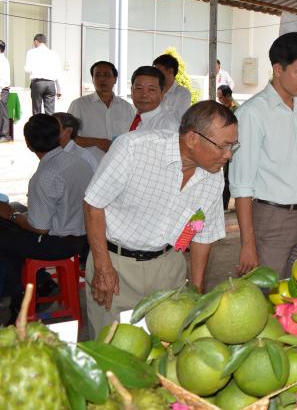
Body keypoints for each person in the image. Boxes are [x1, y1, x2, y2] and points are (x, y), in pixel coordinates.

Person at [83, 101, 234, 338]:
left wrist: (196, 291)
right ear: (192, 139)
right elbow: (93, 203)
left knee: (167, 348)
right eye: (224, 146)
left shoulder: (213, 176)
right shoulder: (134, 148)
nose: (228, 155)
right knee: (111, 349)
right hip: (116, 267)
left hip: (168, 265)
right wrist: (102, 267)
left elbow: (202, 235)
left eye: (233, 147)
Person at [229, 32, 297, 279]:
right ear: (278, 69)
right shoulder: (252, 114)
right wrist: (248, 244)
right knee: (265, 298)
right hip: (271, 220)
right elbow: (241, 185)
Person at [0, 114, 93, 324]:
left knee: (5, 234)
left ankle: (21, 295)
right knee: (13, 223)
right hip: (81, 235)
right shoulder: (79, 161)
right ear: (58, 136)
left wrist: (13, 216)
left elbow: (40, 228)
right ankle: (42, 283)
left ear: (29, 144)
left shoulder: (44, 177)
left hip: (58, 243)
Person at [68, 61, 135, 163]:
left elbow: (133, 136)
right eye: (97, 75)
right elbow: (68, 137)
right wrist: (96, 141)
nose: (102, 78)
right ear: (93, 79)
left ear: (115, 79)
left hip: (119, 164)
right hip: (90, 164)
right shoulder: (79, 104)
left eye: (107, 75)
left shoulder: (126, 107)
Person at [128, 66, 180, 132]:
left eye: (151, 90)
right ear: (131, 91)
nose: (144, 95)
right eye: (139, 88)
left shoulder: (168, 127)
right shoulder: (127, 119)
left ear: (162, 94)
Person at [25, 34, 62, 115]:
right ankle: (51, 127)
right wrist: (59, 89)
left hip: (38, 83)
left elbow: (27, 69)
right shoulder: (54, 54)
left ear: (36, 41)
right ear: (45, 43)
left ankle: (37, 126)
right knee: (50, 110)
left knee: (36, 109)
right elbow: (58, 73)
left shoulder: (31, 52)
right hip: (50, 84)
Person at [153, 54, 192, 123]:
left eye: (158, 70)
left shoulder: (183, 93)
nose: (155, 74)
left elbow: (178, 117)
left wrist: (153, 116)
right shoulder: (154, 92)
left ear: (170, 71)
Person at [0, 41, 9, 143]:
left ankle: (5, 134)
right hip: (2, 89)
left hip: (2, 89)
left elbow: (2, 78)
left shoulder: (2, 60)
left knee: (3, 112)